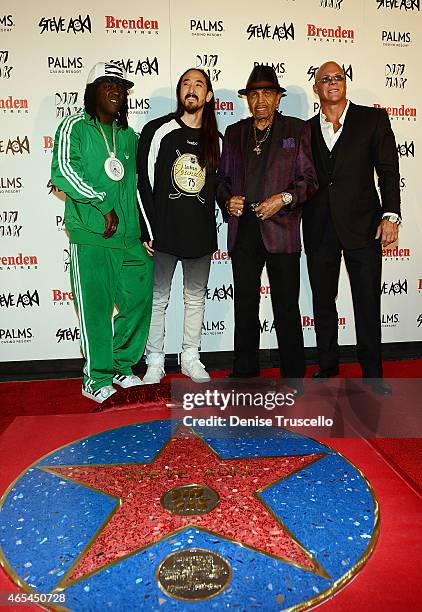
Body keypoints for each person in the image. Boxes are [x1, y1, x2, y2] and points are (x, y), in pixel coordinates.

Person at [51, 62, 153, 403]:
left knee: (138, 302)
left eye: (121, 87)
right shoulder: (74, 127)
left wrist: (147, 230)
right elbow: (64, 170)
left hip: (130, 237)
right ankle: (95, 378)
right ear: (92, 90)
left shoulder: (128, 136)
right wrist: (100, 202)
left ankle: (122, 366)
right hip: (92, 234)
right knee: (95, 309)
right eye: (108, 84)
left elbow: (141, 187)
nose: (116, 92)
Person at [216, 65, 318, 393]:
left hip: (282, 229)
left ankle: (293, 375)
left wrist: (283, 198)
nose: (260, 100)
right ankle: (245, 371)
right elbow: (222, 181)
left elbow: (309, 181)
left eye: (267, 93)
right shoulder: (234, 132)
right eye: (254, 94)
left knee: (287, 306)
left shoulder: (298, 130)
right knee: (245, 303)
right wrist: (227, 200)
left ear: (277, 98)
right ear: (248, 99)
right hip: (244, 229)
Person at [303, 61, 401, 395]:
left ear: (345, 83)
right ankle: (328, 364)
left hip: (364, 225)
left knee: (368, 300)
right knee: (323, 301)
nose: (332, 83)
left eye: (338, 77)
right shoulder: (305, 130)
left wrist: (391, 215)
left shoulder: (372, 119)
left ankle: (373, 374)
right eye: (324, 79)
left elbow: (388, 171)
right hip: (318, 227)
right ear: (316, 88)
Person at [137, 68, 220, 384]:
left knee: (195, 298)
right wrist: (148, 229)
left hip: (200, 235)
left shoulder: (217, 141)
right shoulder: (157, 131)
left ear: (208, 96)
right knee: (157, 299)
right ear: (179, 92)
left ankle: (190, 357)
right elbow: (142, 182)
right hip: (163, 235)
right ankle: (155, 360)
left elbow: (219, 188)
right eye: (186, 83)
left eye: (199, 84)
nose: (192, 88)